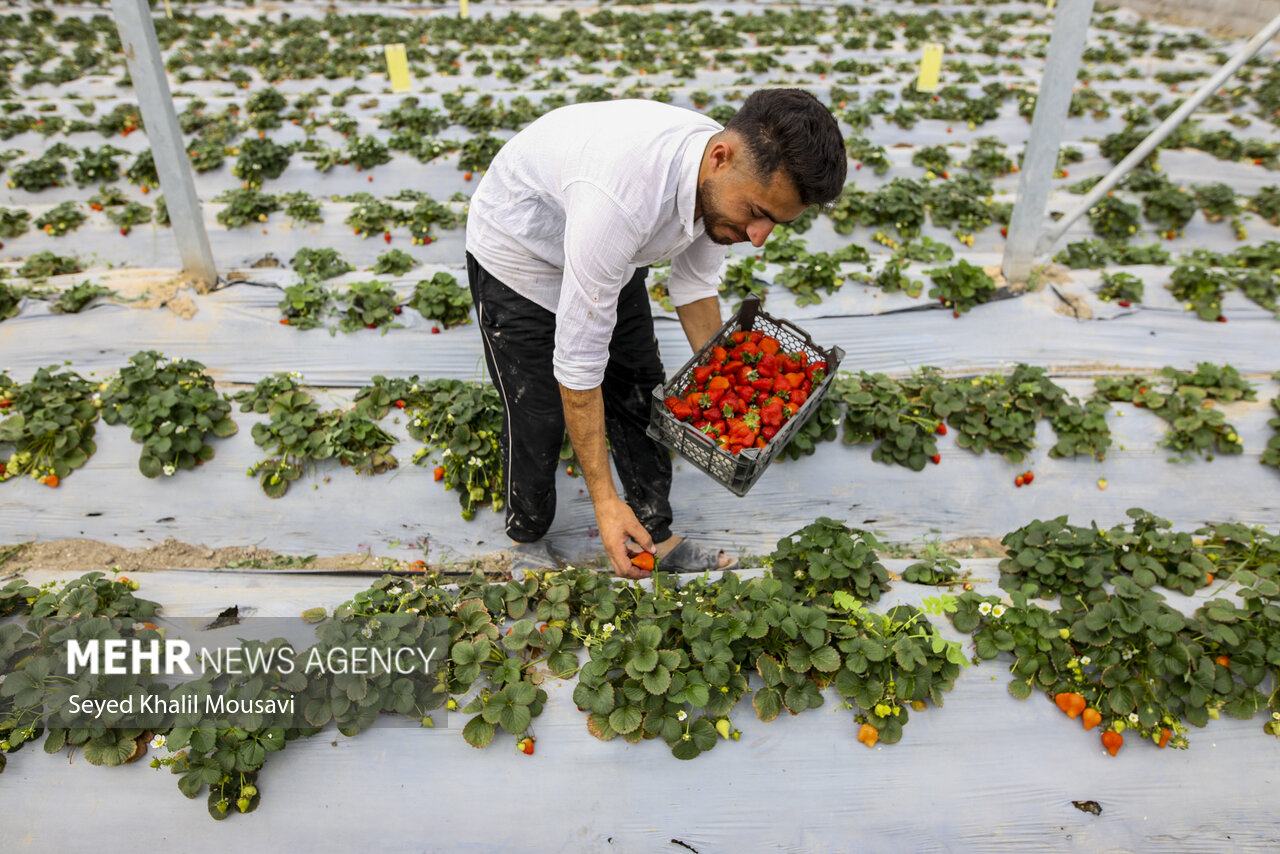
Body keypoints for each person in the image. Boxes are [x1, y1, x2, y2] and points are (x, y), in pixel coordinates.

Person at [463, 88, 846, 580]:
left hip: (609, 255)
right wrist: (603, 499)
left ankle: (654, 532)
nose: (758, 237)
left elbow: (693, 286)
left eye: (775, 222)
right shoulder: (622, 198)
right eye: (757, 213)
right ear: (720, 158)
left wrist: (729, 390)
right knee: (538, 409)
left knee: (641, 387)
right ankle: (528, 535)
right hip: (518, 254)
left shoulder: (720, 183)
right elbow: (580, 366)